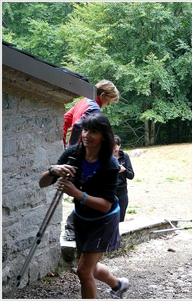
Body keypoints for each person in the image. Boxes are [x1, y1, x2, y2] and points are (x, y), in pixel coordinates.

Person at [39, 113, 130, 299]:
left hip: (104, 220)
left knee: (83, 270)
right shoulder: (73, 153)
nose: (87, 135)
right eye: (86, 130)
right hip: (82, 217)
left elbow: (105, 205)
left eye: (94, 131)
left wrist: (76, 193)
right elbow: (42, 183)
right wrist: (52, 170)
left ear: (104, 136)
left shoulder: (110, 165)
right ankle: (118, 284)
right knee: (88, 266)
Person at [63, 79, 120, 240]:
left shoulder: (83, 102)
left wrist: (64, 143)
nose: (107, 105)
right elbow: (78, 126)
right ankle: (73, 227)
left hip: (79, 154)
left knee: (80, 191)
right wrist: (73, 150)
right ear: (102, 95)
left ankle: (75, 227)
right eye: (108, 101)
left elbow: (66, 120)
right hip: (86, 155)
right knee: (88, 192)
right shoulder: (94, 108)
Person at [113, 135, 135, 222]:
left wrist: (124, 170)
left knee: (120, 220)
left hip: (122, 192)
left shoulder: (125, 156)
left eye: (115, 147)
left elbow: (131, 175)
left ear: (119, 145)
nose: (113, 150)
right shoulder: (106, 157)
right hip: (110, 192)